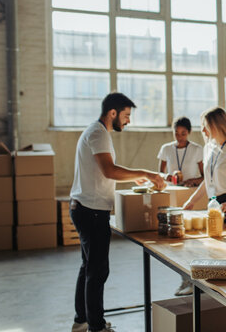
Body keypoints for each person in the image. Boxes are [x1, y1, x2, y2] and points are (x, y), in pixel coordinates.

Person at [69, 93, 165, 332]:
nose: (128, 121)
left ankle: (82, 321)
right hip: (91, 211)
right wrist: (148, 173)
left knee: (88, 266)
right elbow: (109, 170)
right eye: (126, 116)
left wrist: (138, 176)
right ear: (113, 113)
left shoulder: (98, 132)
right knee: (97, 270)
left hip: (86, 208)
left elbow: (105, 172)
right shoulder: (98, 133)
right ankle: (96, 327)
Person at [182, 107, 226, 227]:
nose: (203, 130)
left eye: (206, 126)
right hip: (213, 204)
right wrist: (191, 201)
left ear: (217, 125)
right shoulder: (208, 148)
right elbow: (208, 180)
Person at [157, 117, 204, 187]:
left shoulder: (197, 149)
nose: (179, 137)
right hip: (171, 189)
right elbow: (160, 173)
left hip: (189, 189)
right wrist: (166, 176)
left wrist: (193, 181)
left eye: (183, 134)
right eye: (176, 133)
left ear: (189, 131)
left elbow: (205, 177)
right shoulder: (166, 148)